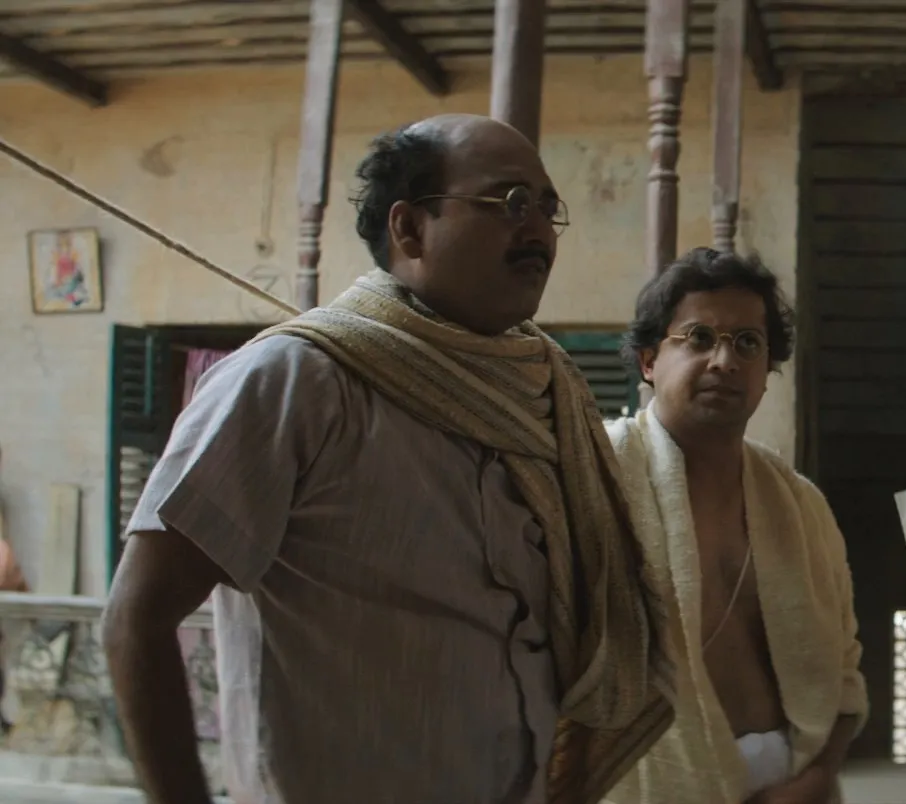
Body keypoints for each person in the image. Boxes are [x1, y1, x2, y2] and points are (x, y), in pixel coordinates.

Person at [101, 114, 672, 804]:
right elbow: (136, 619)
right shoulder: (295, 382)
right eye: (510, 202)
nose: (537, 231)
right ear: (409, 229)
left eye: (547, 209)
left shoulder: (542, 395)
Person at [603, 247, 866, 804]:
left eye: (747, 343)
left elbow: (845, 676)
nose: (724, 360)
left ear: (767, 373)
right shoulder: (598, 481)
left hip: (795, 783)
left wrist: (817, 778)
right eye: (699, 338)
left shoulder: (800, 506)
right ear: (649, 361)